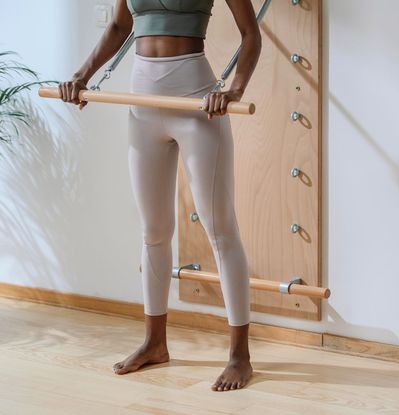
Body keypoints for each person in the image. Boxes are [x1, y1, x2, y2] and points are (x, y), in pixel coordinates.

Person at [58, 0, 262, 392]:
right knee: (153, 230)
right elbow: (120, 27)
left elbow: (251, 34)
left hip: (199, 104)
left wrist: (235, 88)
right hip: (143, 105)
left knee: (220, 229)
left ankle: (240, 356)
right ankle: (155, 343)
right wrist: (81, 75)